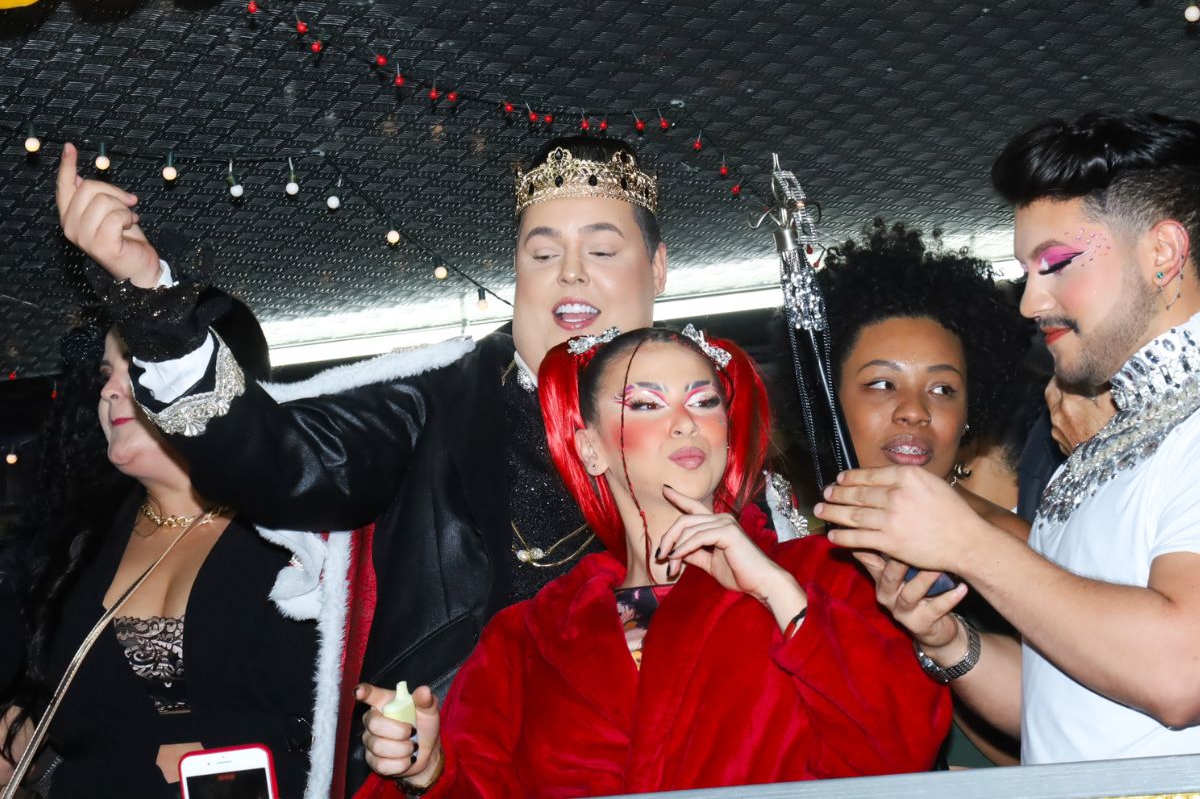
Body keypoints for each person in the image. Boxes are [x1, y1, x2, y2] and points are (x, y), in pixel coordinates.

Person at [53, 135, 683, 795]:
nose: (571, 273)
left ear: (659, 267)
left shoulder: (714, 423)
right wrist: (152, 297)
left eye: (602, 251)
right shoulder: (433, 403)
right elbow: (276, 457)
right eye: (544, 253)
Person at [354, 326, 951, 797]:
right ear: (589, 449)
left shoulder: (824, 575)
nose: (685, 422)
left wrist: (776, 589)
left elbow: (900, 750)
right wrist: (427, 771)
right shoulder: (529, 638)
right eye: (645, 404)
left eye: (705, 401)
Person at [815, 110, 1200, 763]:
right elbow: (1064, 705)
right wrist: (948, 641)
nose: (1030, 302)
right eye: (1027, 271)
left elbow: (1180, 674)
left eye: (1056, 264)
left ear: (1161, 253)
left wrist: (969, 545)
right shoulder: (1099, 453)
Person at [0, 304, 322, 798]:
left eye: (135, 366)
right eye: (106, 374)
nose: (109, 390)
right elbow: (68, 722)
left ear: (213, 375)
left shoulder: (305, 532)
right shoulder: (76, 548)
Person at [815, 222, 1030, 768]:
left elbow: (1069, 735)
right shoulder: (794, 552)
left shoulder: (1020, 550)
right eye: (882, 384)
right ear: (828, 403)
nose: (914, 410)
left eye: (942, 389)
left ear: (968, 415)